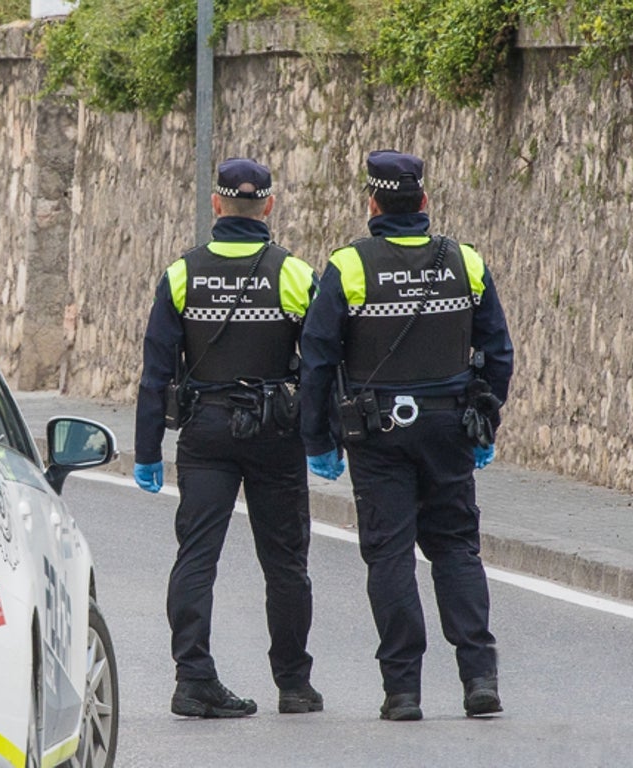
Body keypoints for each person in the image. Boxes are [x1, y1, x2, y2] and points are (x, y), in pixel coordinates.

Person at [299, 149, 514, 721]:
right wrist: (486, 419)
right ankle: (479, 680)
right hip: (450, 426)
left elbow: (318, 359)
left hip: (377, 430)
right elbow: (498, 350)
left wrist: (317, 440)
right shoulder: (464, 260)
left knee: (389, 554)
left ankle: (403, 691)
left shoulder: (348, 266)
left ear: (372, 203)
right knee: (455, 548)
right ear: (423, 201)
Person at [133, 157, 321, 718]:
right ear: (268, 205)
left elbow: (156, 373)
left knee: (196, 557)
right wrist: (323, 439)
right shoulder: (293, 273)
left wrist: (147, 452)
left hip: (206, 432)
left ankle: (192, 679)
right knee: (285, 562)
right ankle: (293, 683)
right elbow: (319, 365)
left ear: (216, 205)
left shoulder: (182, 274)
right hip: (275, 432)